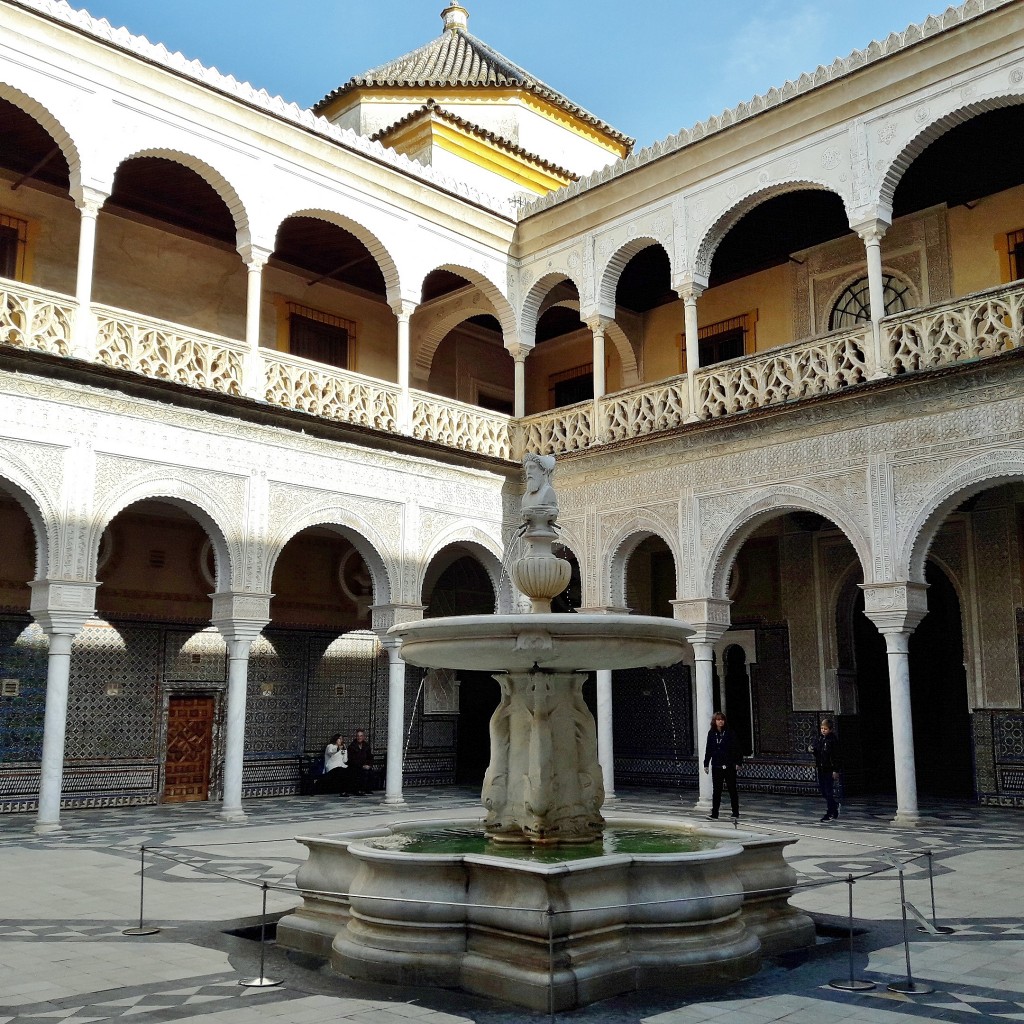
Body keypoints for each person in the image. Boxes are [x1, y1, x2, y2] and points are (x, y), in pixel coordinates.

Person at [703, 711, 742, 820]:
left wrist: (738, 762)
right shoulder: (711, 734)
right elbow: (708, 749)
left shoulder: (730, 733)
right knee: (717, 791)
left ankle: (735, 812)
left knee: (732, 789)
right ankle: (715, 813)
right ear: (714, 721)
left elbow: (737, 748)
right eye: (718, 720)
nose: (721, 722)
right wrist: (706, 763)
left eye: (722, 719)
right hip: (717, 766)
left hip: (729, 765)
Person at [810, 717, 842, 822]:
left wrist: (835, 770)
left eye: (826, 729)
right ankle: (834, 806)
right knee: (823, 791)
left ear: (830, 729)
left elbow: (836, 756)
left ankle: (830, 812)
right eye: (822, 728)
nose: (823, 730)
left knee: (828, 791)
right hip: (821, 768)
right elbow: (817, 752)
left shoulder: (833, 740)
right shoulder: (819, 738)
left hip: (829, 769)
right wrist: (812, 750)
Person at [347, 729, 374, 795]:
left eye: (361, 736)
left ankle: (367, 789)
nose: (359, 737)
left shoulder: (366, 746)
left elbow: (370, 757)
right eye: (358, 736)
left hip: (365, 765)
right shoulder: (352, 747)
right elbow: (352, 759)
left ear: (363, 737)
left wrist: (369, 765)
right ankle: (358, 790)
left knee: (370, 771)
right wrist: (361, 765)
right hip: (355, 766)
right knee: (358, 772)